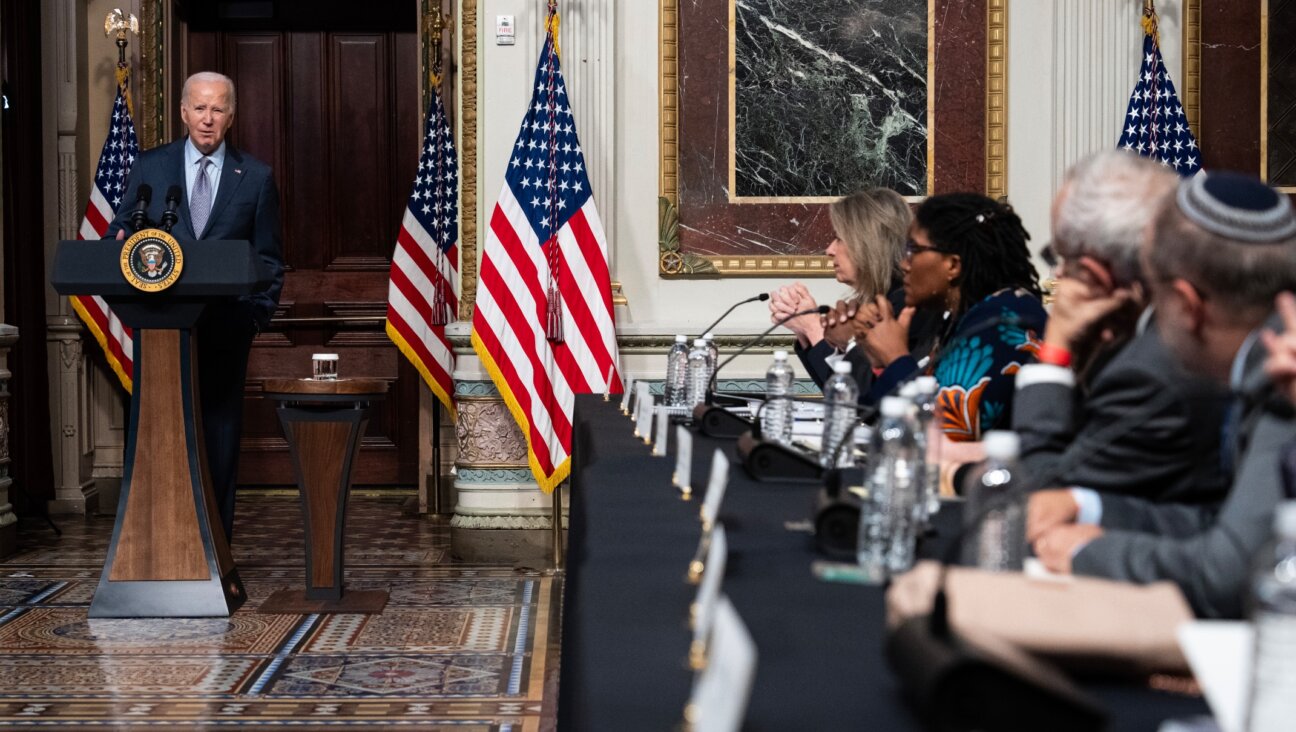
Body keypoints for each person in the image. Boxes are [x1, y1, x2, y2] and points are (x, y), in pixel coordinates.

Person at [1030, 171, 1296, 619]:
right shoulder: (1257, 363)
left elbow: (1228, 577)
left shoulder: (1281, 376)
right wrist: (1090, 506)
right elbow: (1228, 525)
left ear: (1189, 307)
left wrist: (1087, 555)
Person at [106, 71, 285, 541]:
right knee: (158, 438)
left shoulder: (257, 178)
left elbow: (269, 259)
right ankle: (157, 545)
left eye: (218, 109)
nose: (208, 119)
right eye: (200, 108)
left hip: (226, 329)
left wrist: (253, 316)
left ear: (231, 116)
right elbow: (118, 239)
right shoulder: (150, 168)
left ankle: (215, 548)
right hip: (161, 327)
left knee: (221, 438)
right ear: (183, 112)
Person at [1014, 151, 1229, 508]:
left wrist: (1055, 351)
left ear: (1095, 274)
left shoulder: (1154, 370)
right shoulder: (1165, 326)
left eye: (1058, 257)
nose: (1059, 275)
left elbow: (1042, 494)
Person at [851, 193, 1047, 442]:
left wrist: (895, 358)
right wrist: (880, 358)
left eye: (913, 250)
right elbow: (873, 415)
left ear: (953, 265)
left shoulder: (1002, 321)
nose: (904, 264)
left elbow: (946, 435)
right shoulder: (966, 315)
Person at [769, 189, 940, 394]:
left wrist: (814, 330)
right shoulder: (881, 300)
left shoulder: (907, 307)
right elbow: (838, 387)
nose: (829, 250)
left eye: (839, 238)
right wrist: (806, 333)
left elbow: (866, 399)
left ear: (869, 243)